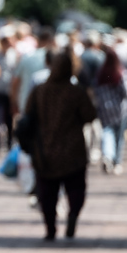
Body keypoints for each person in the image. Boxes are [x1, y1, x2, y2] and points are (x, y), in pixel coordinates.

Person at [24, 50, 98, 240]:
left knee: (47, 193)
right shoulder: (76, 92)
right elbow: (90, 115)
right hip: (72, 150)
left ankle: (50, 228)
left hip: (45, 150)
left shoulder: (39, 91)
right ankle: (73, 214)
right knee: (76, 189)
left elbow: (27, 116)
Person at [93, 46, 127, 175]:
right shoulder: (121, 72)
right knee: (119, 137)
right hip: (120, 110)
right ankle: (117, 162)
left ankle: (108, 155)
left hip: (104, 109)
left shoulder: (101, 73)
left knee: (107, 133)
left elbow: (95, 89)